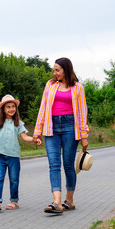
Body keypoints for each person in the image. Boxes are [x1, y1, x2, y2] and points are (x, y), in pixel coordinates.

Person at [32, 57, 89, 214]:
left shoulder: (78, 88)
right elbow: (43, 108)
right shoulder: (50, 85)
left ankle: (69, 200)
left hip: (71, 127)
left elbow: (82, 114)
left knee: (68, 165)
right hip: (51, 128)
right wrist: (37, 132)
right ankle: (57, 202)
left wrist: (84, 136)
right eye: (54, 69)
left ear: (66, 70)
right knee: (54, 164)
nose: (54, 73)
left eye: (57, 70)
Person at [0, 94, 42, 213]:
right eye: (8, 107)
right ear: (3, 109)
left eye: (13, 106)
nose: (11, 109)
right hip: (0, 155)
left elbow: (24, 137)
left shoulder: (18, 123)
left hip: (13, 155)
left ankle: (14, 201)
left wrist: (34, 139)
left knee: (14, 179)